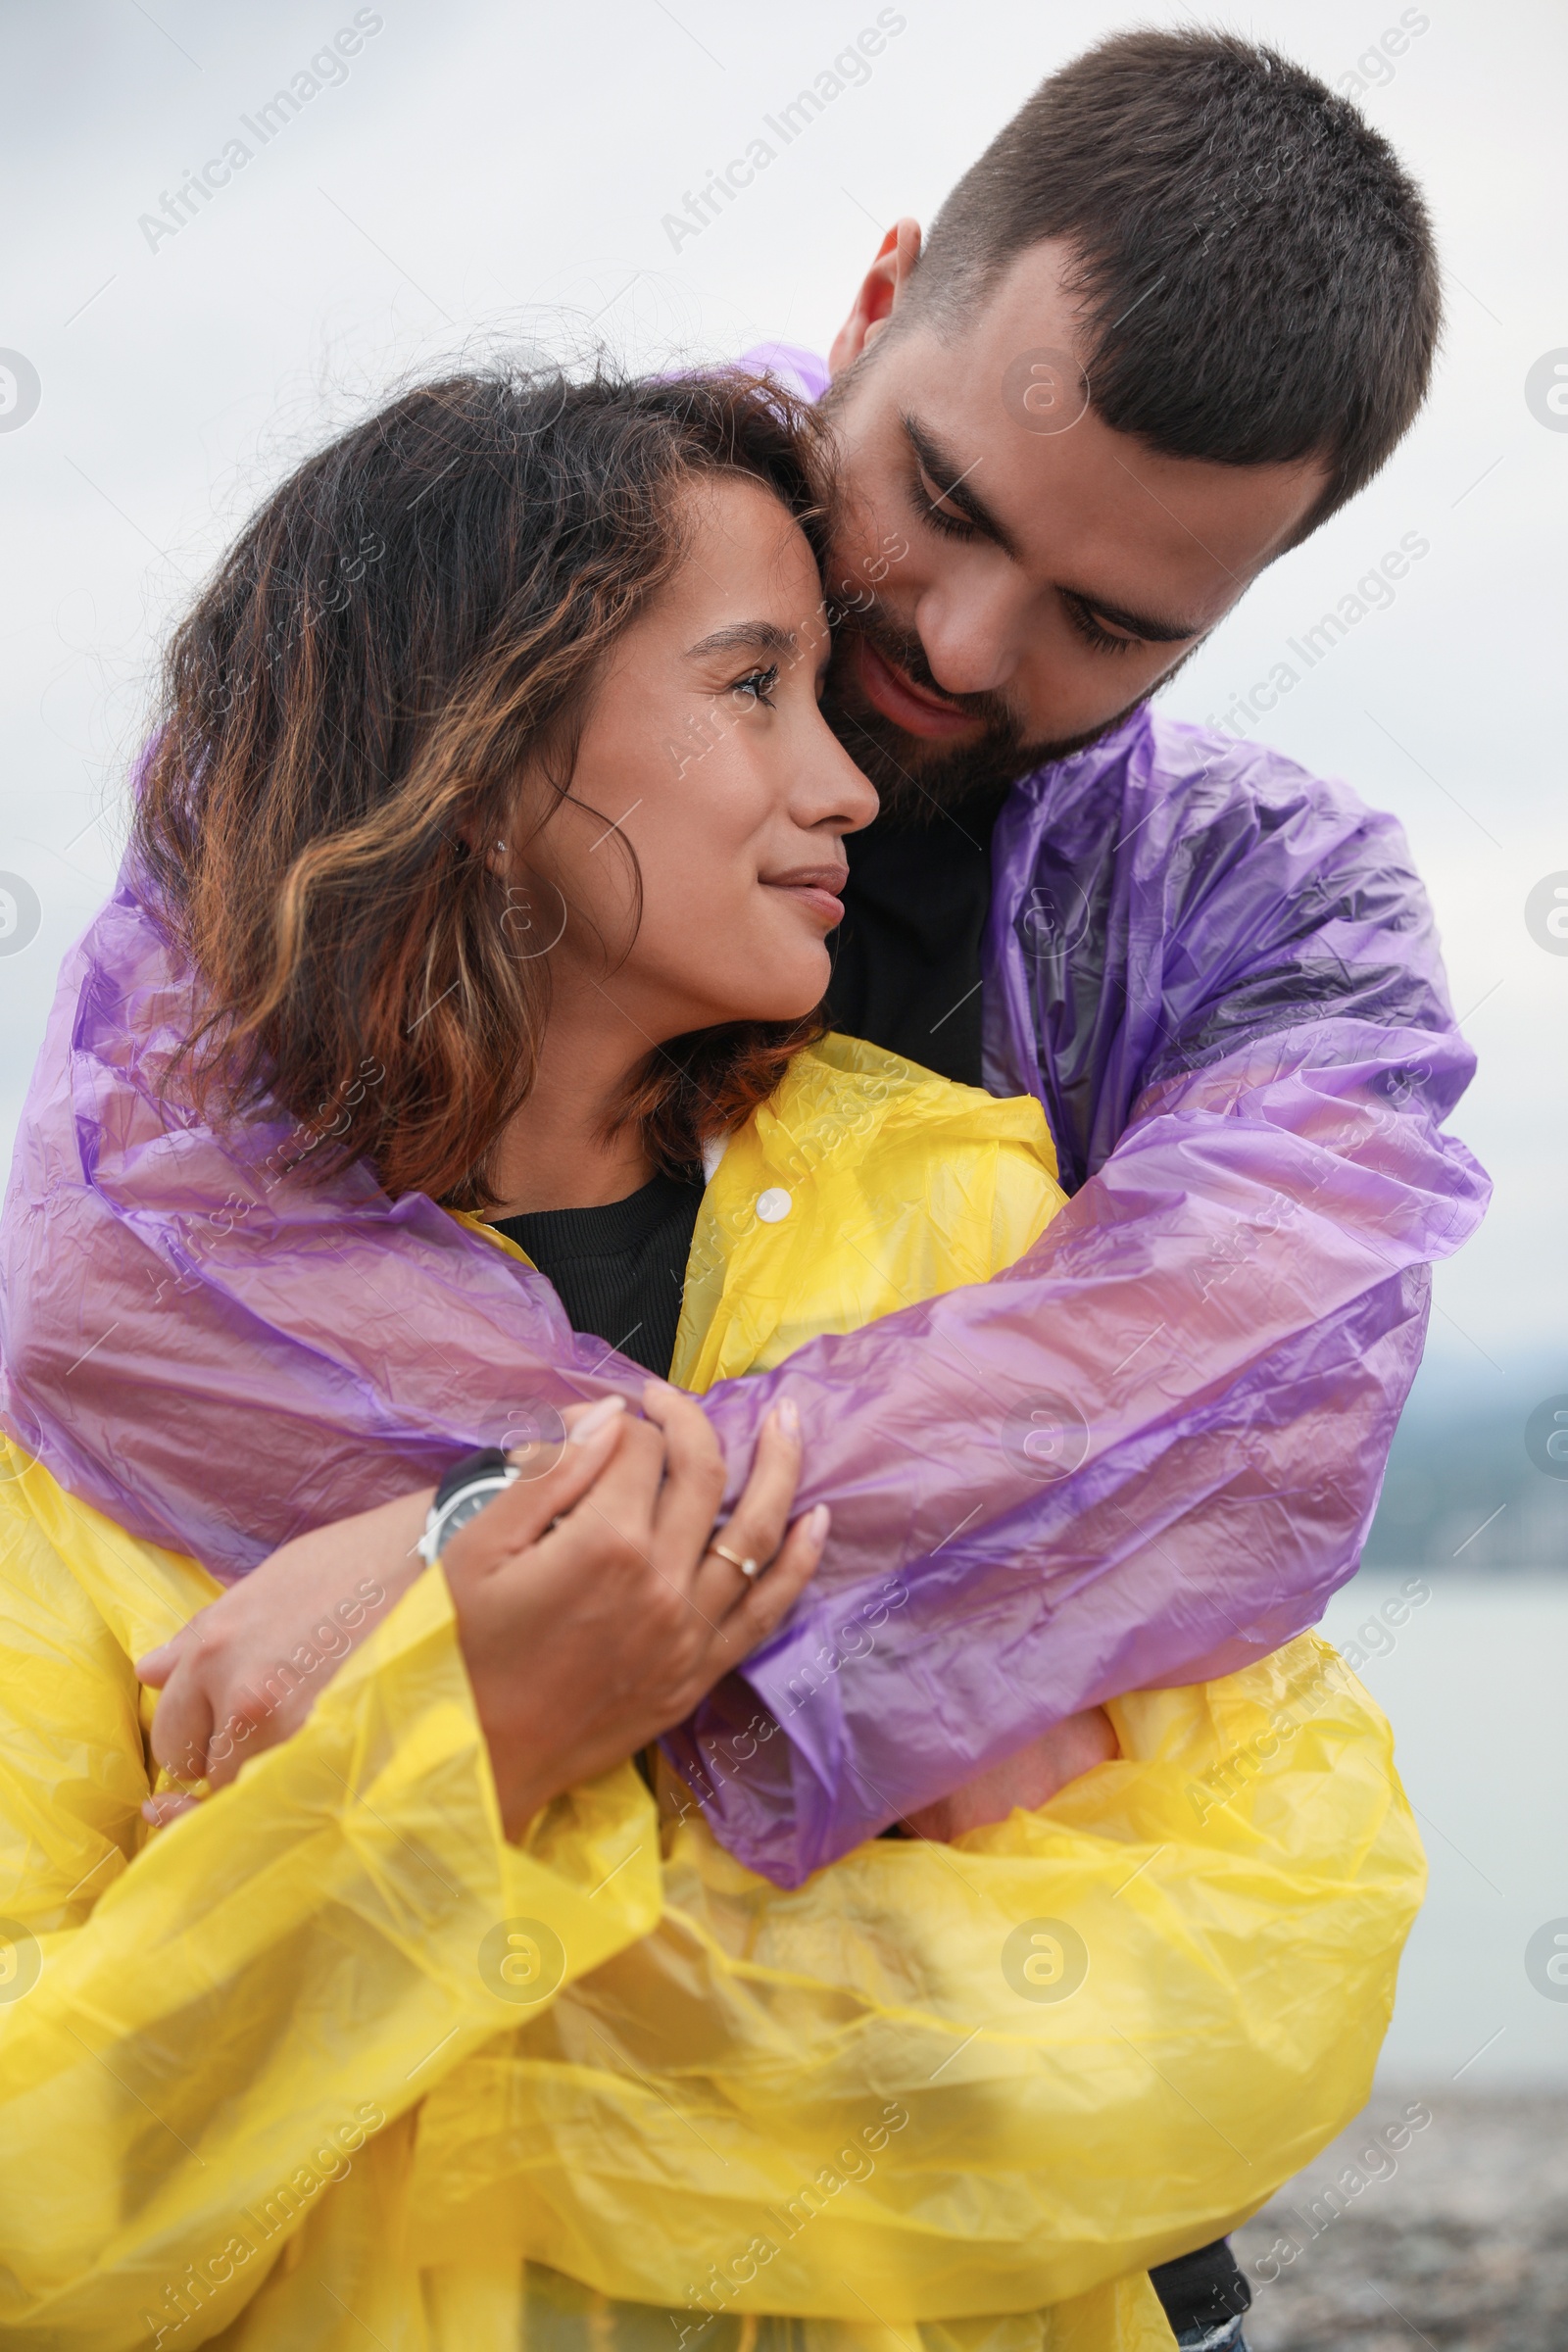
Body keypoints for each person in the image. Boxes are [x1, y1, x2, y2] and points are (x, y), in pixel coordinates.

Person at [0, 366, 1423, 2352]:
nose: (848, 781)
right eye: (752, 687)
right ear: (472, 744)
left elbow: (1255, 1989)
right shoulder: (120, 1369)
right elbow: (41, 2207)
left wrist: (397, 1850)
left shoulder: (977, 1232)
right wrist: (524, 1745)